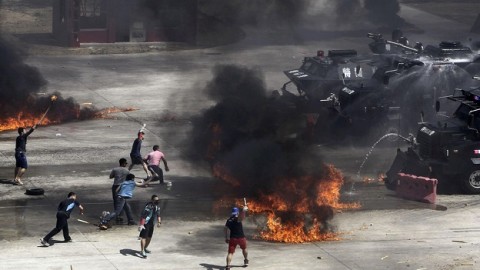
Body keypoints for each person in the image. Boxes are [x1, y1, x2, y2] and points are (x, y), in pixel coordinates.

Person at [224, 205, 249, 270]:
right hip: (241, 238)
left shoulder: (228, 220)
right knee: (244, 249)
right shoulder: (237, 218)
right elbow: (241, 217)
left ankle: (228, 266)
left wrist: (226, 237)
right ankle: (246, 260)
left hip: (233, 238)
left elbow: (225, 229)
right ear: (237, 212)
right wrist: (244, 210)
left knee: (230, 253)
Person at [109, 158, 129, 222]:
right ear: (123, 163)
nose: (126, 164)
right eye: (126, 163)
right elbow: (129, 178)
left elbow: (111, 176)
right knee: (122, 202)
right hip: (123, 187)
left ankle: (117, 216)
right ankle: (121, 216)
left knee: (116, 201)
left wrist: (117, 176)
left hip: (115, 186)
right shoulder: (127, 171)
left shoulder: (115, 169)